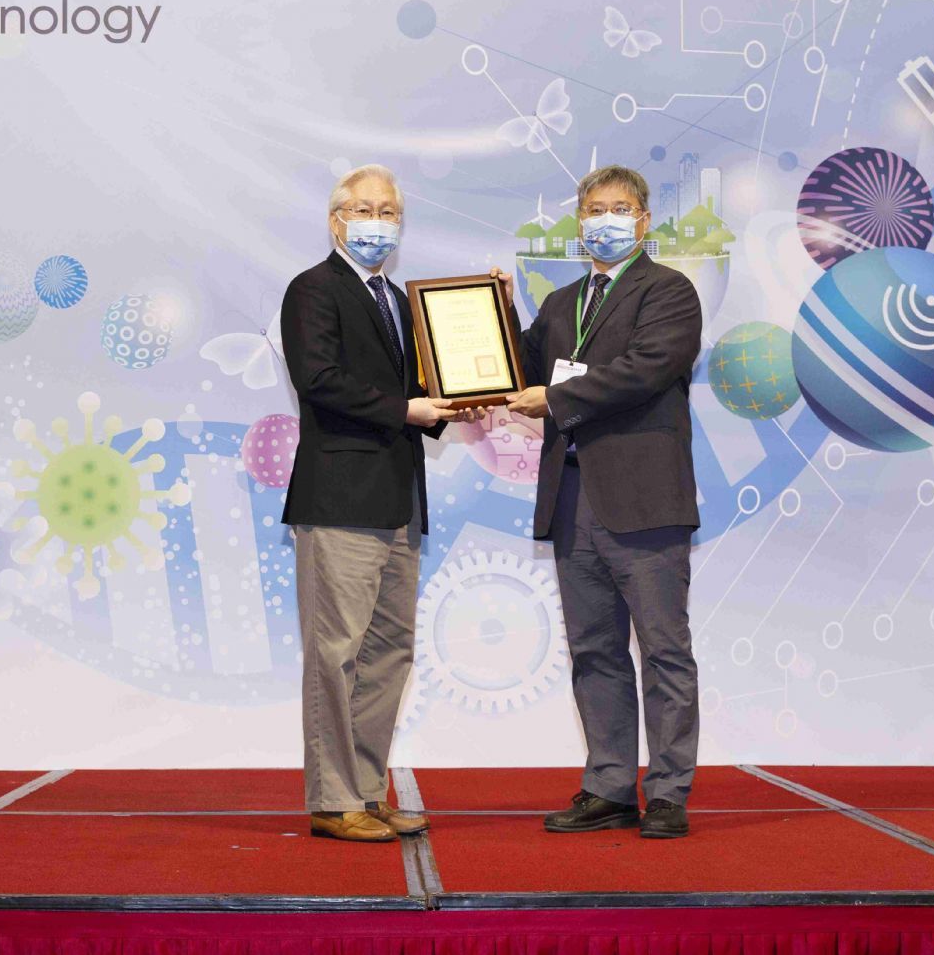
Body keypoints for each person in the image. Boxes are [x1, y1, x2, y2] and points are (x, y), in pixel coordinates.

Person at [503, 163, 703, 839]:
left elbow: (646, 368)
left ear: (643, 220)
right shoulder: (562, 302)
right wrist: (493, 308)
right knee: (594, 651)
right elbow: (519, 367)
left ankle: (668, 791)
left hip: (644, 500)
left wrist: (557, 397)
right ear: (578, 219)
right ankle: (610, 785)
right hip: (572, 498)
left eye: (618, 208)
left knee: (663, 650)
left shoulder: (668, 291)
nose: (604, 220)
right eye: (593, 208)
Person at [280, 164, 471, 843]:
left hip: (398, 499)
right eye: (363, 209)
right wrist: (406, 408)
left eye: (388, 211)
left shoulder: (398, 299)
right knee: (335, 653)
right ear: (336, 220)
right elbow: (319, 379)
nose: (376, 222)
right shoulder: (313, 289)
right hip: (341, 498)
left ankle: (365, 788)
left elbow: (432, 381)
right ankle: (333, 801)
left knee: (389, 652)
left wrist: (468, 379)